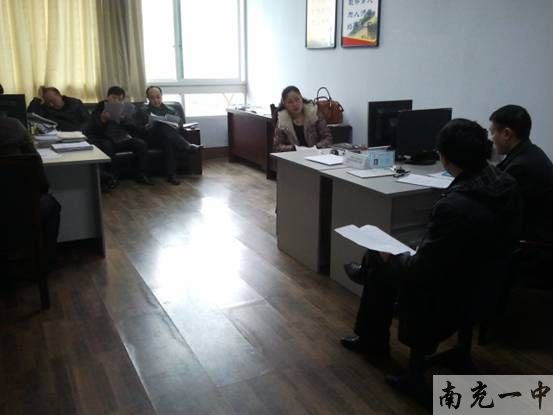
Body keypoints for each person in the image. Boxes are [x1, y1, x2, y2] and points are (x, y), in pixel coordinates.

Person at [341, 119, 522, 361]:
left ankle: (372, 339)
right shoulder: (506, 184)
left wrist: (396, 255)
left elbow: (421, 270)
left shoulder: (454, 206)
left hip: (448, 291)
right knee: (382, 259)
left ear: (445, 158)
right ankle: (367, 274)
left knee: (378, 257)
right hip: (490, 284)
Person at [0, 117, 61, 270]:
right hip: (22, 207)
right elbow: (36, 167)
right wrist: (44, 190)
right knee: (51, 204)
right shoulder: (13, 126)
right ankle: (45, 262)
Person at [489, 105, 553, 243]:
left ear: (507, 134)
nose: (491, 139)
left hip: (533, 243)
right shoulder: (531, 151)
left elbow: (497, 208)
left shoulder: (521, 167)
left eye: (493, 133)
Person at [85, 86, 152, 185]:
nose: (116, 101)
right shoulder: (100, 108)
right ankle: (113, 177)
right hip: (107, 138)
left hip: (123, 138)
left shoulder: (127, 108)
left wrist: (125, 120)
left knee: (141, 144)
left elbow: (135, 127)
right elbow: (92, 129)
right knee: (107, 146)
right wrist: (103, 120)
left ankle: (142, 175)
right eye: (113, 98)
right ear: (108, 97)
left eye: (120, 99)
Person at [138, 86, 201, 185]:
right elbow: (138, 129)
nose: (156, 100)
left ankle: (171, 175)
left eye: (158, 97)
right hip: (152, 139)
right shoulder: (143, 111)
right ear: (148, 98)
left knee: (167, 139)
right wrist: (146, 127)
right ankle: (187, 146)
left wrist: (177, 125)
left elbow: (180, 125)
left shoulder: (170, 110)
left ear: (161, 96)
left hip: (167, 138)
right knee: (163, 128)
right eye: (152, 98)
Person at [274, 85, 332, 152]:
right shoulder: (282, 121)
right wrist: (294, 148)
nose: (295, 104)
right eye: (290, 102)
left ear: (301, 98)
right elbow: (277, 146)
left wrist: (315, 148)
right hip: (294, 156)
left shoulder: (314, 114)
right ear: (284, 104)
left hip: (316, 154)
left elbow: (328, 139)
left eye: (297, 100)